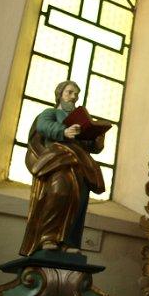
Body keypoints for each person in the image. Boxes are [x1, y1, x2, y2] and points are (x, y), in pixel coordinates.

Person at [19, 80, 106, 256]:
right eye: (70, 92)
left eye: (76, 94)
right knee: (59, 192)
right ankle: (47, 237)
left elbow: (89, 146)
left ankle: (67, 242)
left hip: (79, 163)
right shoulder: (50, 113)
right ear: (60, 94)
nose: (74, 97)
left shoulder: (80, 120)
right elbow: (43, 126)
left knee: (78, 201)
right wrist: (63, 131)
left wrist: (97, 138)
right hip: (58, 161)